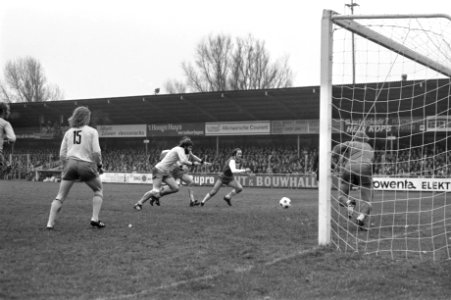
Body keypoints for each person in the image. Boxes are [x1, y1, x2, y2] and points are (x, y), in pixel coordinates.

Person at [46, 106, 105, 230]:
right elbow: (96, 152)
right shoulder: (92, 131)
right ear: (86, 117)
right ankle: (95, 219)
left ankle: (50, 223)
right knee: (98, 190)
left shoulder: (68, 132)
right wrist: (99, 165)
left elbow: (62, 154)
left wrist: (66, 166)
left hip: (70, 163)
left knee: (60, 195)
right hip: (86, 164)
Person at [133, 136, 203, 210]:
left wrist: (198, 162)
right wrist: (194, 164)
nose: (190, 149)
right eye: (189, 147)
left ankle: (156, 196)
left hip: (166, 172)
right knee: (155, 190)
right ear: (185, 146)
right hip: (159, 170)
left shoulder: (181, 150)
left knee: (175, 188)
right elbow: (183, 161)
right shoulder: (179, 149)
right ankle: (139, 203)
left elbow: (183, 160)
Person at [332, 130, 374, 229]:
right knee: (367, 199)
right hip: (365, 170)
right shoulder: (369, 147)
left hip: (349, 168)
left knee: (341, 196)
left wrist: (335, 154)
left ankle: (348, 203)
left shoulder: (350, 143)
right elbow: (372, 161)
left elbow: (337, 148)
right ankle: (361, 217)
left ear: (355, 138)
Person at [0, 102, 16, 177]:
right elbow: (12, 138)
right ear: (3, 111)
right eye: (7, 110)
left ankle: (6, 163)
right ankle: (7, 164)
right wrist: (8, 141)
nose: (8, 112)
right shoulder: (5, 123)